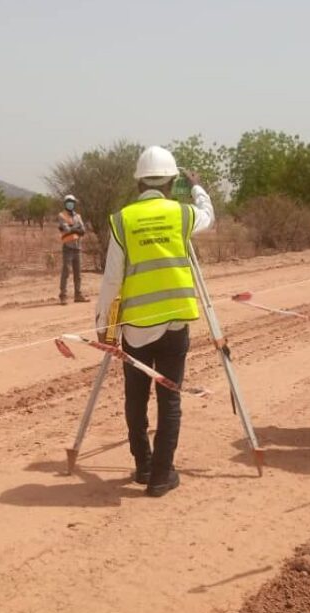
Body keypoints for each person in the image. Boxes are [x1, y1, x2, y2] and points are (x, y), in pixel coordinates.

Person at [94, 145, 214, 497]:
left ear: (138, 183)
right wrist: (198, 187)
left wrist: (104, 323)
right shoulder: (181, 214)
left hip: (137, 325)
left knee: (135, 396)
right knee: (169, 399)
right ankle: (162, 477)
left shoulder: (122, 220)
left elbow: (111, 280)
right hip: (176, 322)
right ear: (172, 181)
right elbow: (208, 215)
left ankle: (143, 466)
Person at [57, 194, 87, 305]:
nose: (70, 203)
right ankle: (63, 296)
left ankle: (78, 295)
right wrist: (76, 228)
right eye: (68, 201)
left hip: (78, 247)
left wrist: (73, 229)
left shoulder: (78, 216)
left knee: (78, 273)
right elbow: (67, 230)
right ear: (65, 203)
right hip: (68, 248)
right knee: (66, 272)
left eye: (72, 201)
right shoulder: (61, 215)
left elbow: (83, 230)